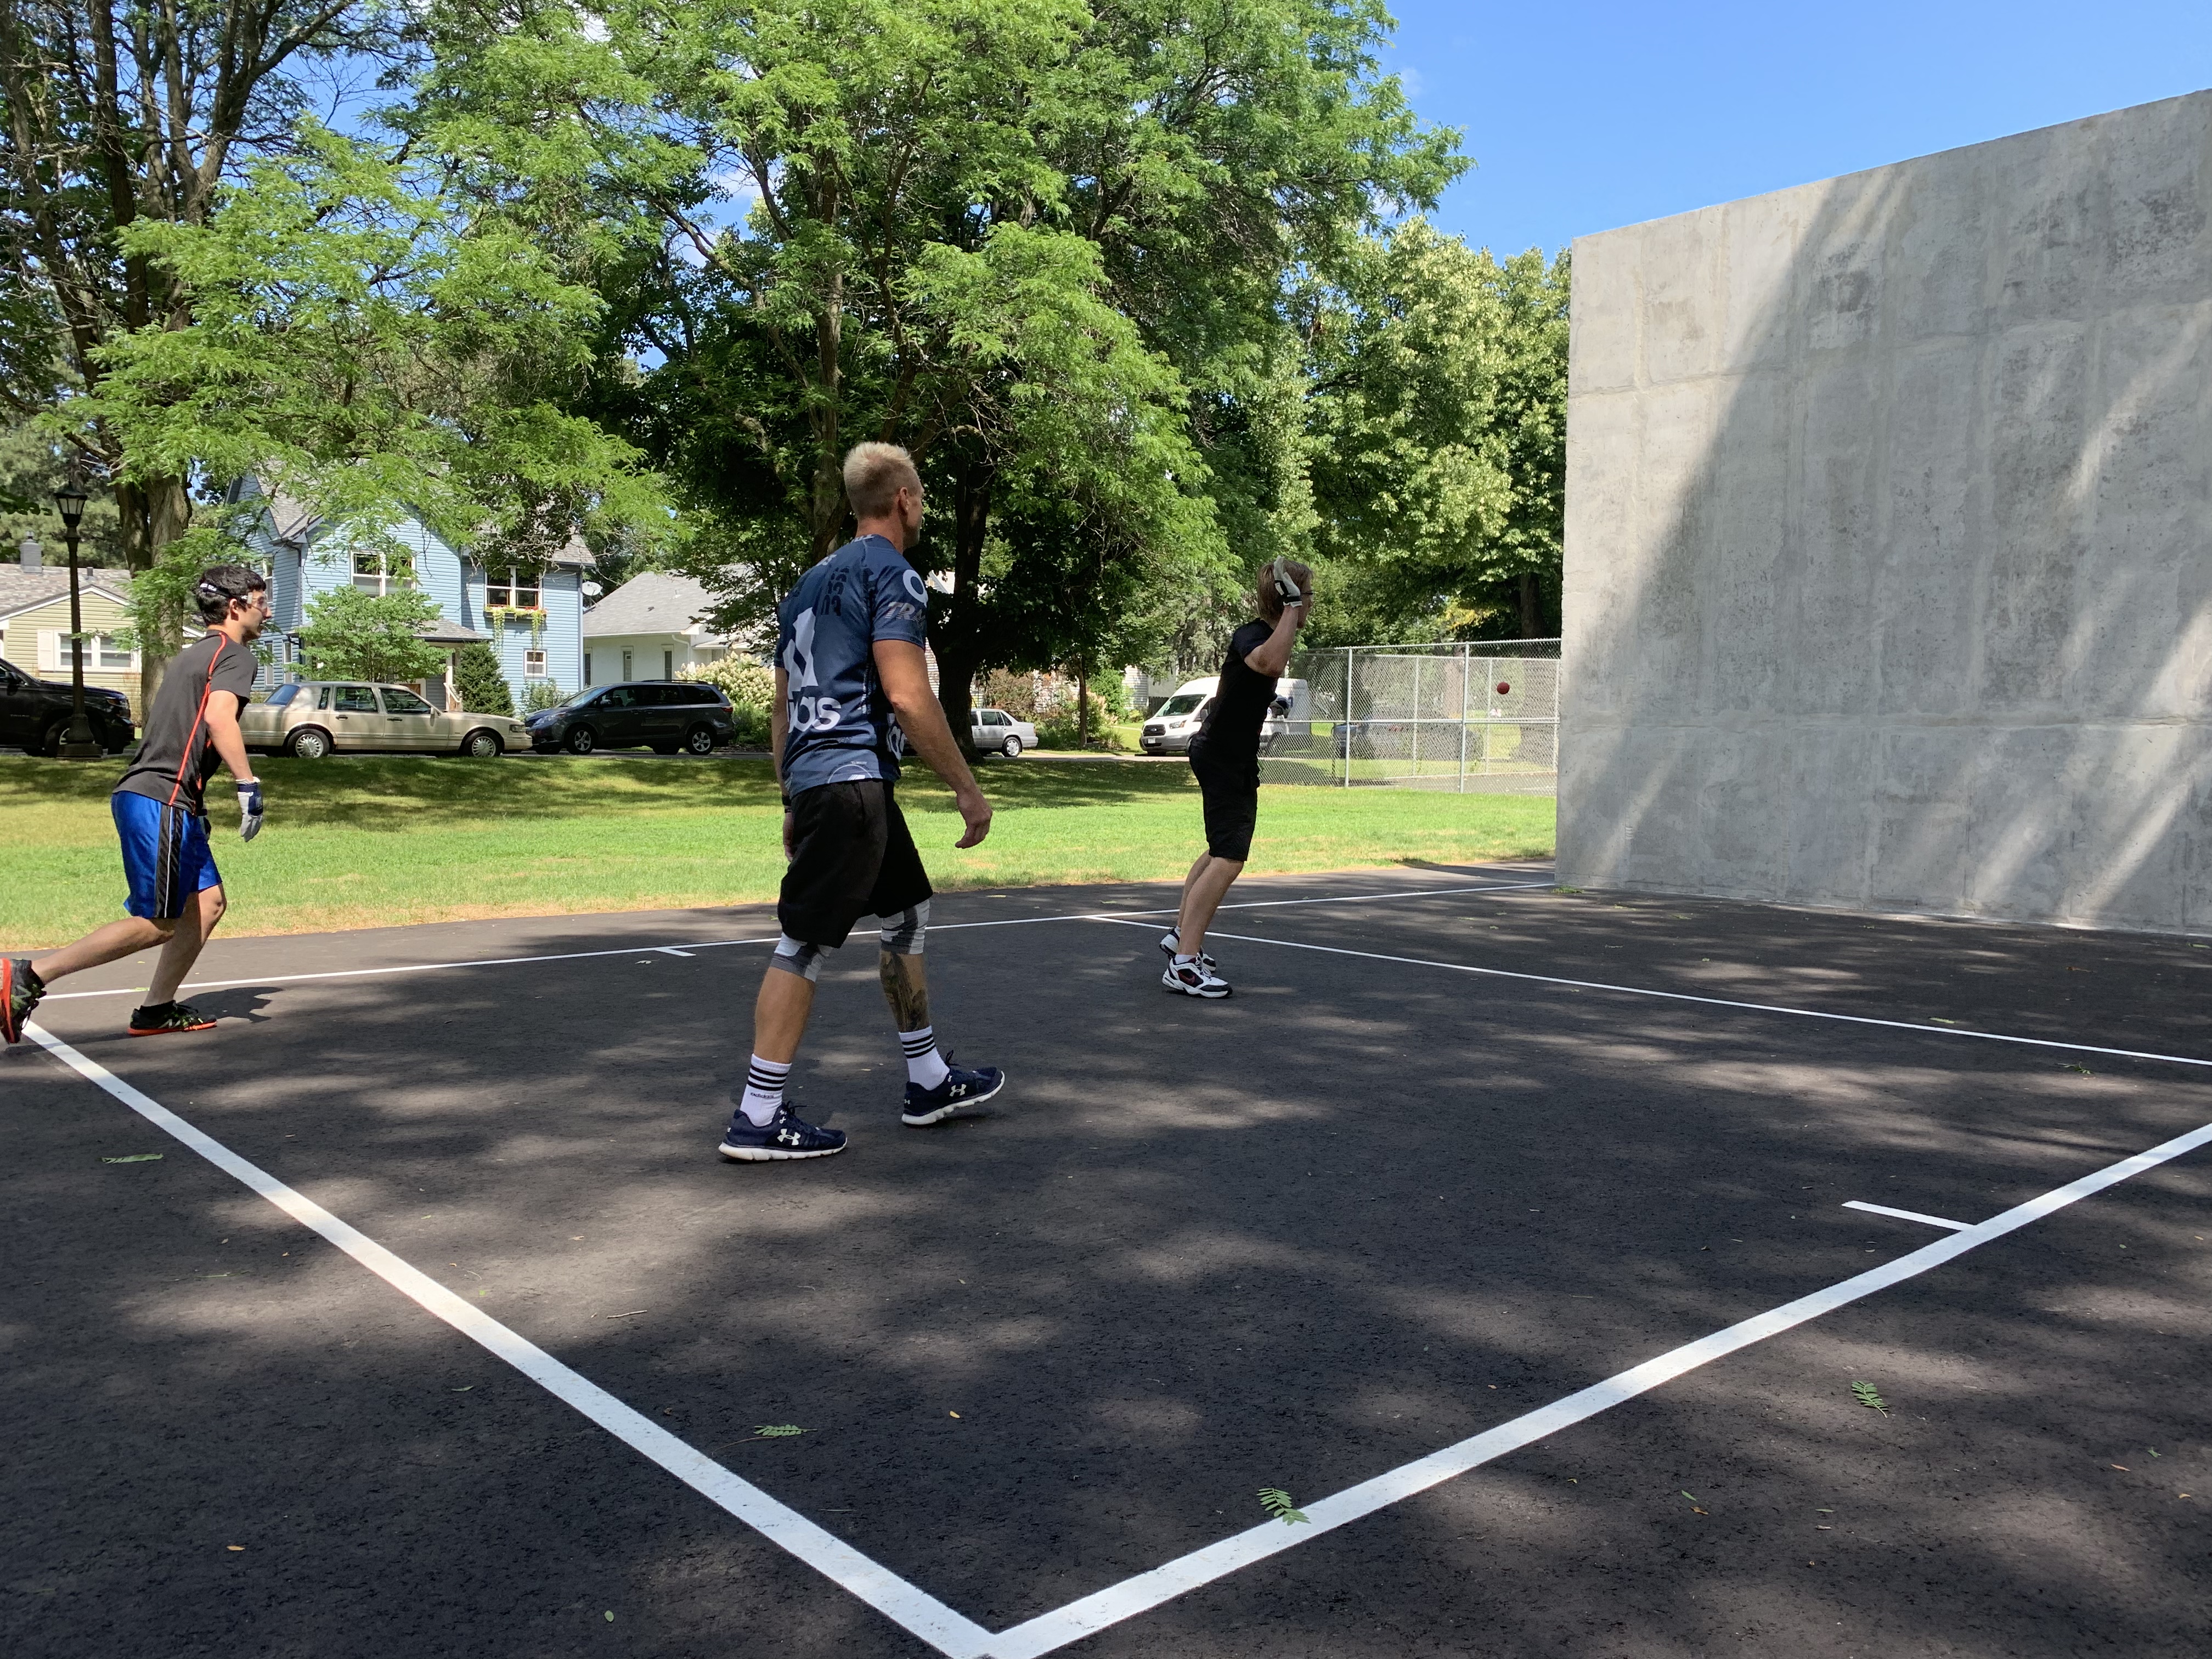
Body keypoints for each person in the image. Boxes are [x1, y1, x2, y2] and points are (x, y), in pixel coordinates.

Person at [718, 442, 1003, 1161]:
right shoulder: (892, 574)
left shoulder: (806, 586)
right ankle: (757, 1114)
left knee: (907, 911)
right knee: (805, 940)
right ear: (903, 499)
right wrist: (967, 788)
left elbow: (782, 708)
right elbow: (908, 694)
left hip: (833, 780)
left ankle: (929, 1079)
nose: (923, 506)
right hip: (852, 780)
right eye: (922, 496)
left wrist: (791, 794)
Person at [2, 565, 269, 1045]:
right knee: (158, 923)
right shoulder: (234, 655)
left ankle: (156, 1010)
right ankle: (29, 974)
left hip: (167, 800)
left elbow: (179, 735)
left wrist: (198, 804)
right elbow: (218, 719)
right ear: (236, 607)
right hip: (160, 798)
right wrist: (247, 783)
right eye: (261, 602)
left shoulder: (193, 656)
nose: (267, 612)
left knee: (206, 904)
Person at [1160, 557, 1311, 998]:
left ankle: (1180, 937)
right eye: (1307, 598)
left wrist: (1270, 703)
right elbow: (1267, 663)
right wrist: (1292, 607)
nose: (1311, 607)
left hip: (1228, 757)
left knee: (1217, 853)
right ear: (1289, 600)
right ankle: (1184, 965)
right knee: (1229, 858)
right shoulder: (1254, 634)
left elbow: (1252, 683)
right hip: (1223, 758)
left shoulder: (1263, 635)